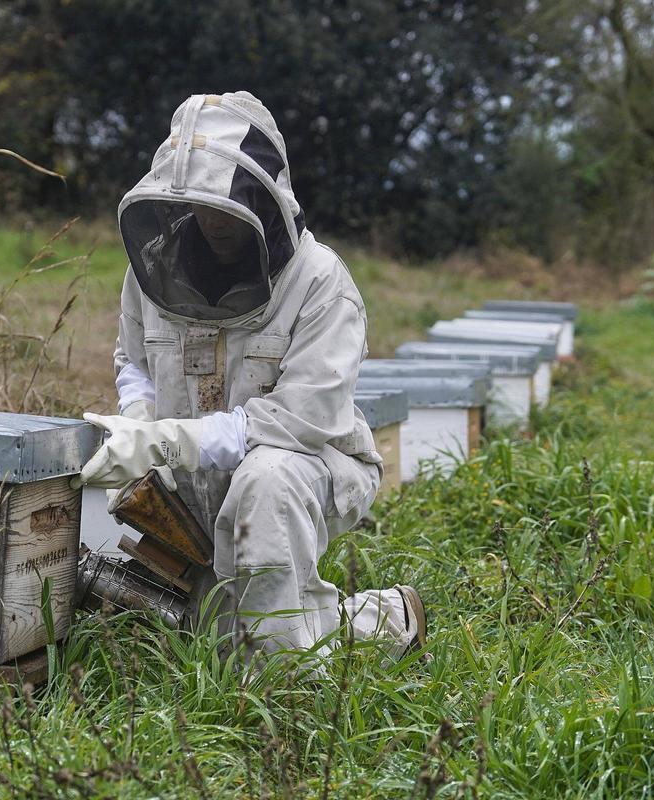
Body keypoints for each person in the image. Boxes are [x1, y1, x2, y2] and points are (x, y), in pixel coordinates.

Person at [71, 91, 424, 660]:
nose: (212, 220)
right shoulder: (154, 268)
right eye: (199, 203)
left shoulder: (320, 283)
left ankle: (283, 690)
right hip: (195, 480)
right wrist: (139, 421)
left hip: (306, 468)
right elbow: (132, 360)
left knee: (265, 484)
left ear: (264, 197)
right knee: (220, 628)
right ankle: (384, 621)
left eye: (226, 204)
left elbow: (299, 422)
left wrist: (167, 441)